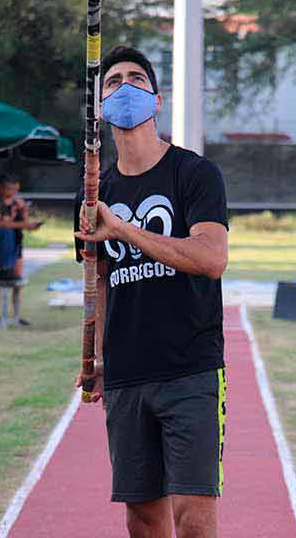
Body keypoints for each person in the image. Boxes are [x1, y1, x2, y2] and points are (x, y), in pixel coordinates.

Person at [73, 45, 230, 538]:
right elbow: (98, 280)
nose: (124, 87)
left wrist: (125, 230)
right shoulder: (94, 196)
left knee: (193, 518)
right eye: (113, 80)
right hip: (127, 372)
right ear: (100, 107)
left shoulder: (194, 173)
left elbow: (210, 259)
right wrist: (96, 359)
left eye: (136, 79)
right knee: (142, 520)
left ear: (156, 100)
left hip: (190, 369)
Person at [0, 195, 39, 325]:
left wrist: (23, 210)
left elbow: (26, 224)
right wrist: (11, 210)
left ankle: (17, 316)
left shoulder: (20, 210)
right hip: (2, 248)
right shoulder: (3, 210)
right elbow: (4, 225)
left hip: (17, 246)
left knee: (17, 281)